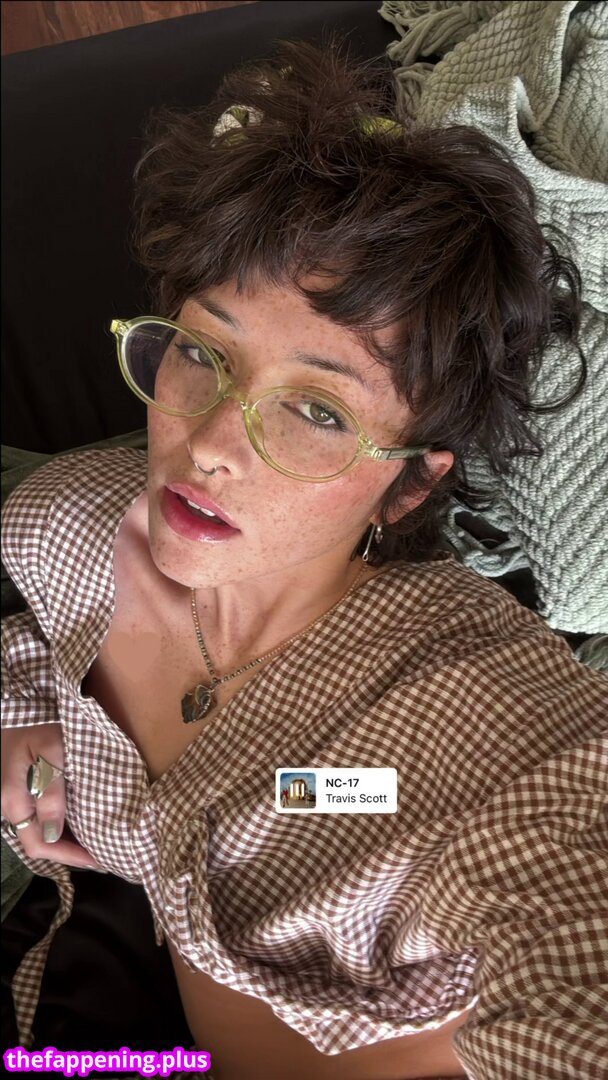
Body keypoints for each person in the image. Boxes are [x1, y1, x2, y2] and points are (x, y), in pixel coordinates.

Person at [1, 39, 606, 1080]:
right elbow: (297, 787)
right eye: (203, 352)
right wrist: (24, 706)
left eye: (318, 410)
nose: (210, 446)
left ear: (408, 486)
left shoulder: (472, 717)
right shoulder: (62, 526)